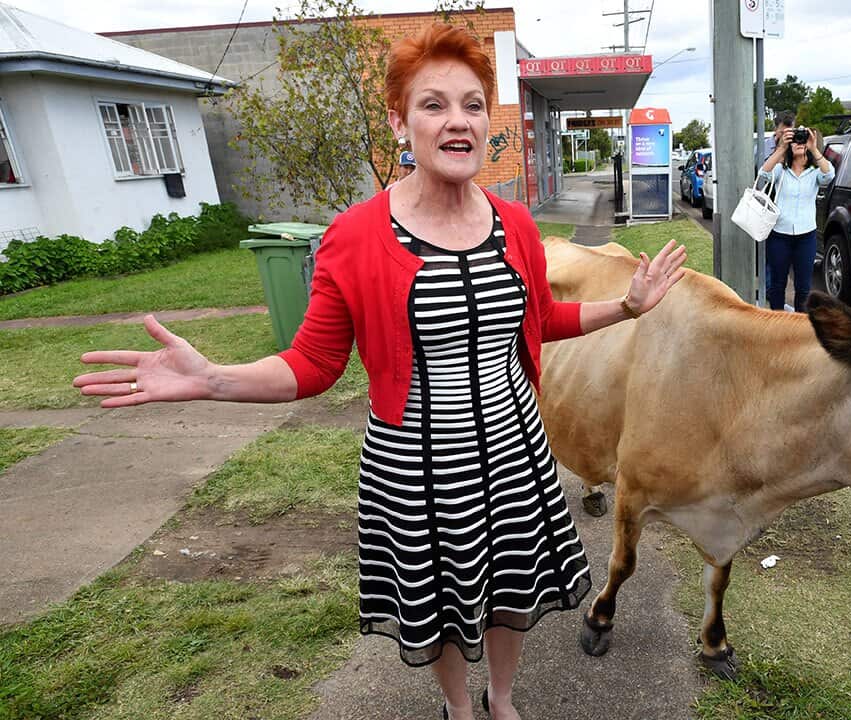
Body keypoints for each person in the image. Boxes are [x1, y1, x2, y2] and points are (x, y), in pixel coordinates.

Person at [73, 24, 687, 720]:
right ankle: (459, 705)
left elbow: (536, 319)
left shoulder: (515, 224)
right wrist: (213, 378)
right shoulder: (357, 235)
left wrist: (627, 307)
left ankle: (503, 697)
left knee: (512, 592)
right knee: (444, 604)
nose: (457, 120)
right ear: (400, 120)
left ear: (489, 119)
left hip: (517, 452)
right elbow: (312, 362)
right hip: (419, 468)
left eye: (472, 104)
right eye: (433, 104)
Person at [758, 125, 834, 312]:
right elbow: (763, 173)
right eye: (796, 140)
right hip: (779, 236)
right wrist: (781, 148)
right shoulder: (781, 171)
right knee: (777, 283)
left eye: (802, 140)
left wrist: (814, 147)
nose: (799, 143)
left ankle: (799, 324)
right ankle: (777, 322)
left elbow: (829, 175)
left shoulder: (814, 172)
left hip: (806, 236)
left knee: (803, 286)